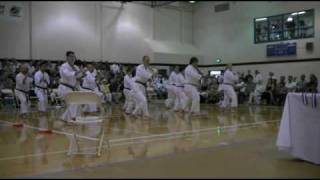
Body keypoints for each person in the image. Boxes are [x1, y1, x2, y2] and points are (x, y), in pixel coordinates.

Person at [58, 51, 85, 122]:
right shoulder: (64, 66)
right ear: (67, 57)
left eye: (74, 56)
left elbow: (78, 77)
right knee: (73, 102)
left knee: (77, 102)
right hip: (64, 88)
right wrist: (79, 72)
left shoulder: (75, 67)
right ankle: (71, 118)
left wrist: (83, 74)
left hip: (72, 89)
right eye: (71, 56)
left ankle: (66, 118)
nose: (73, 58)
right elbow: (68, 74)